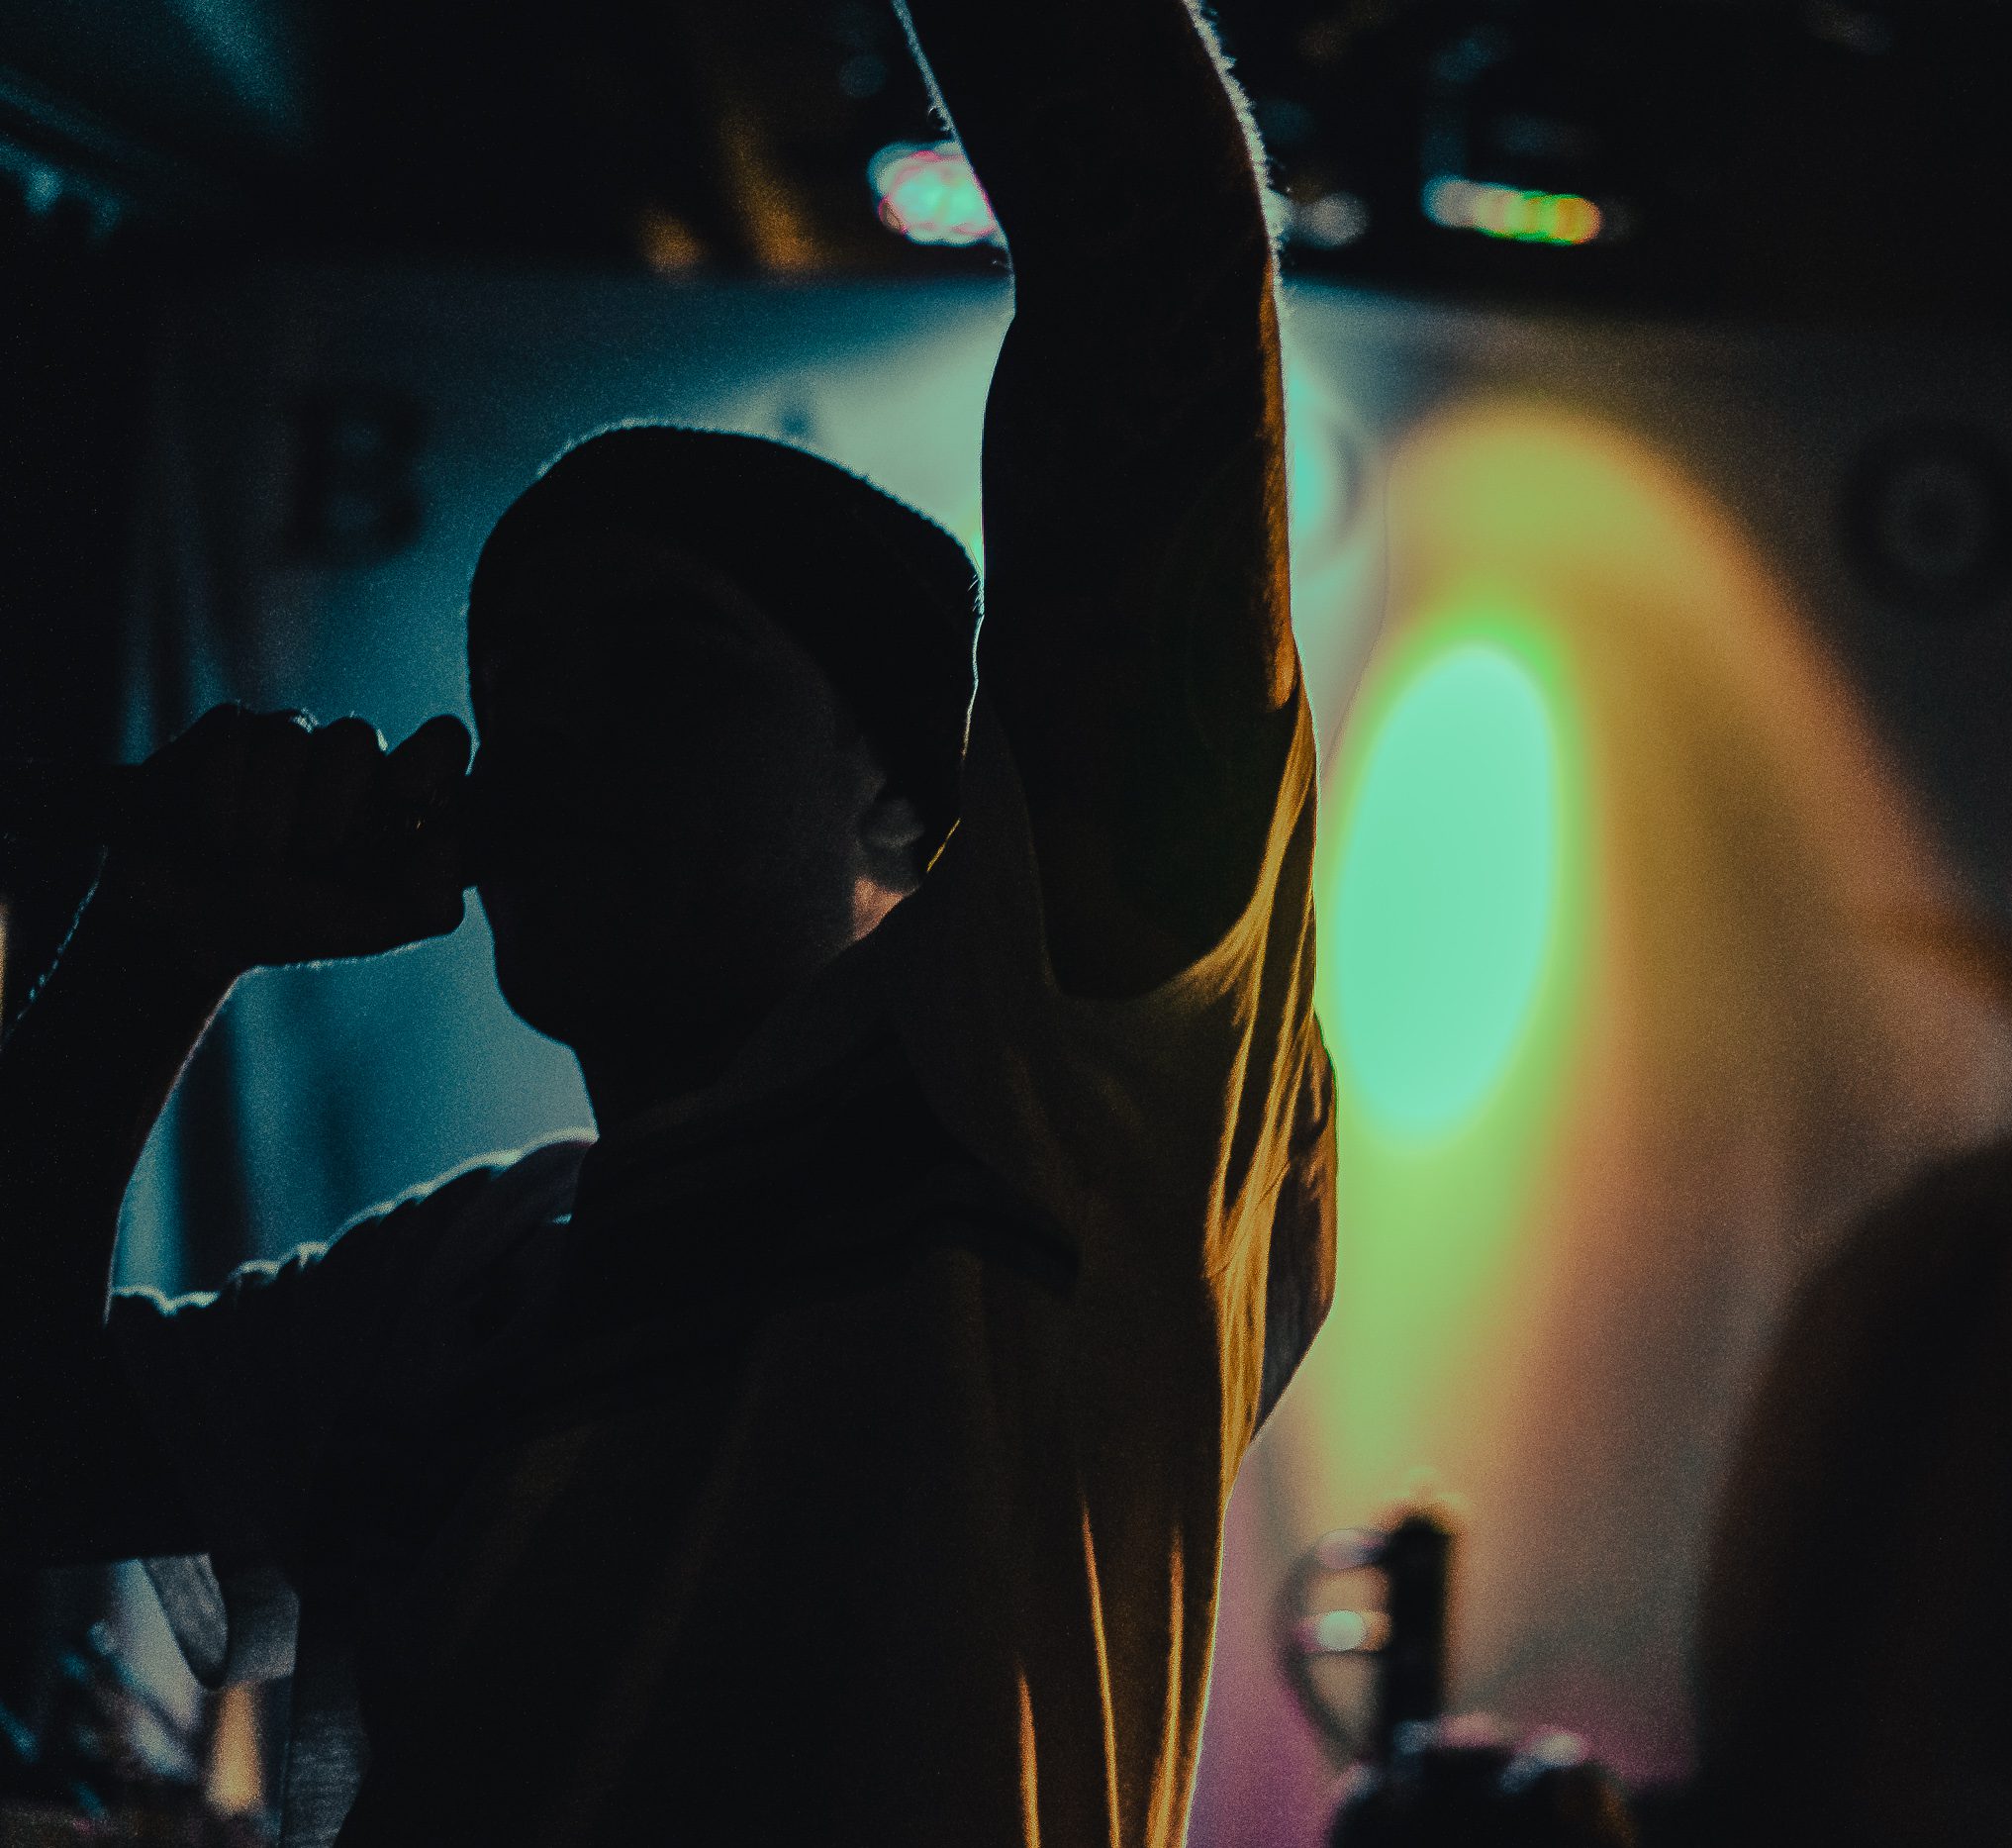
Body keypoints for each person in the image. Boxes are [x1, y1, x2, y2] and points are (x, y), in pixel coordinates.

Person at [0, 0, 1333, 1839]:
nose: (551, 738)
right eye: (515, 685)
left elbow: (1155, 261)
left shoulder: (1053, 1099)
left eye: (662, 667)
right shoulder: (451, 1286)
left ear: (904, 796)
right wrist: (154, 947)